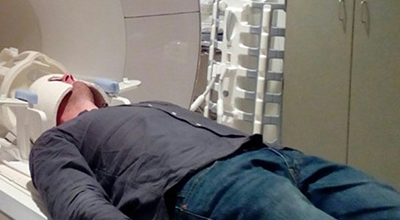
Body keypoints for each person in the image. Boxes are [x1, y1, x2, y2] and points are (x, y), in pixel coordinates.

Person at [29, 81, 400, 220]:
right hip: (211, 182)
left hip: (279, 157)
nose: (69, 75)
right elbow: (79, 202)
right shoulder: (56, 141)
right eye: (60, 78)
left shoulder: (146, 104)